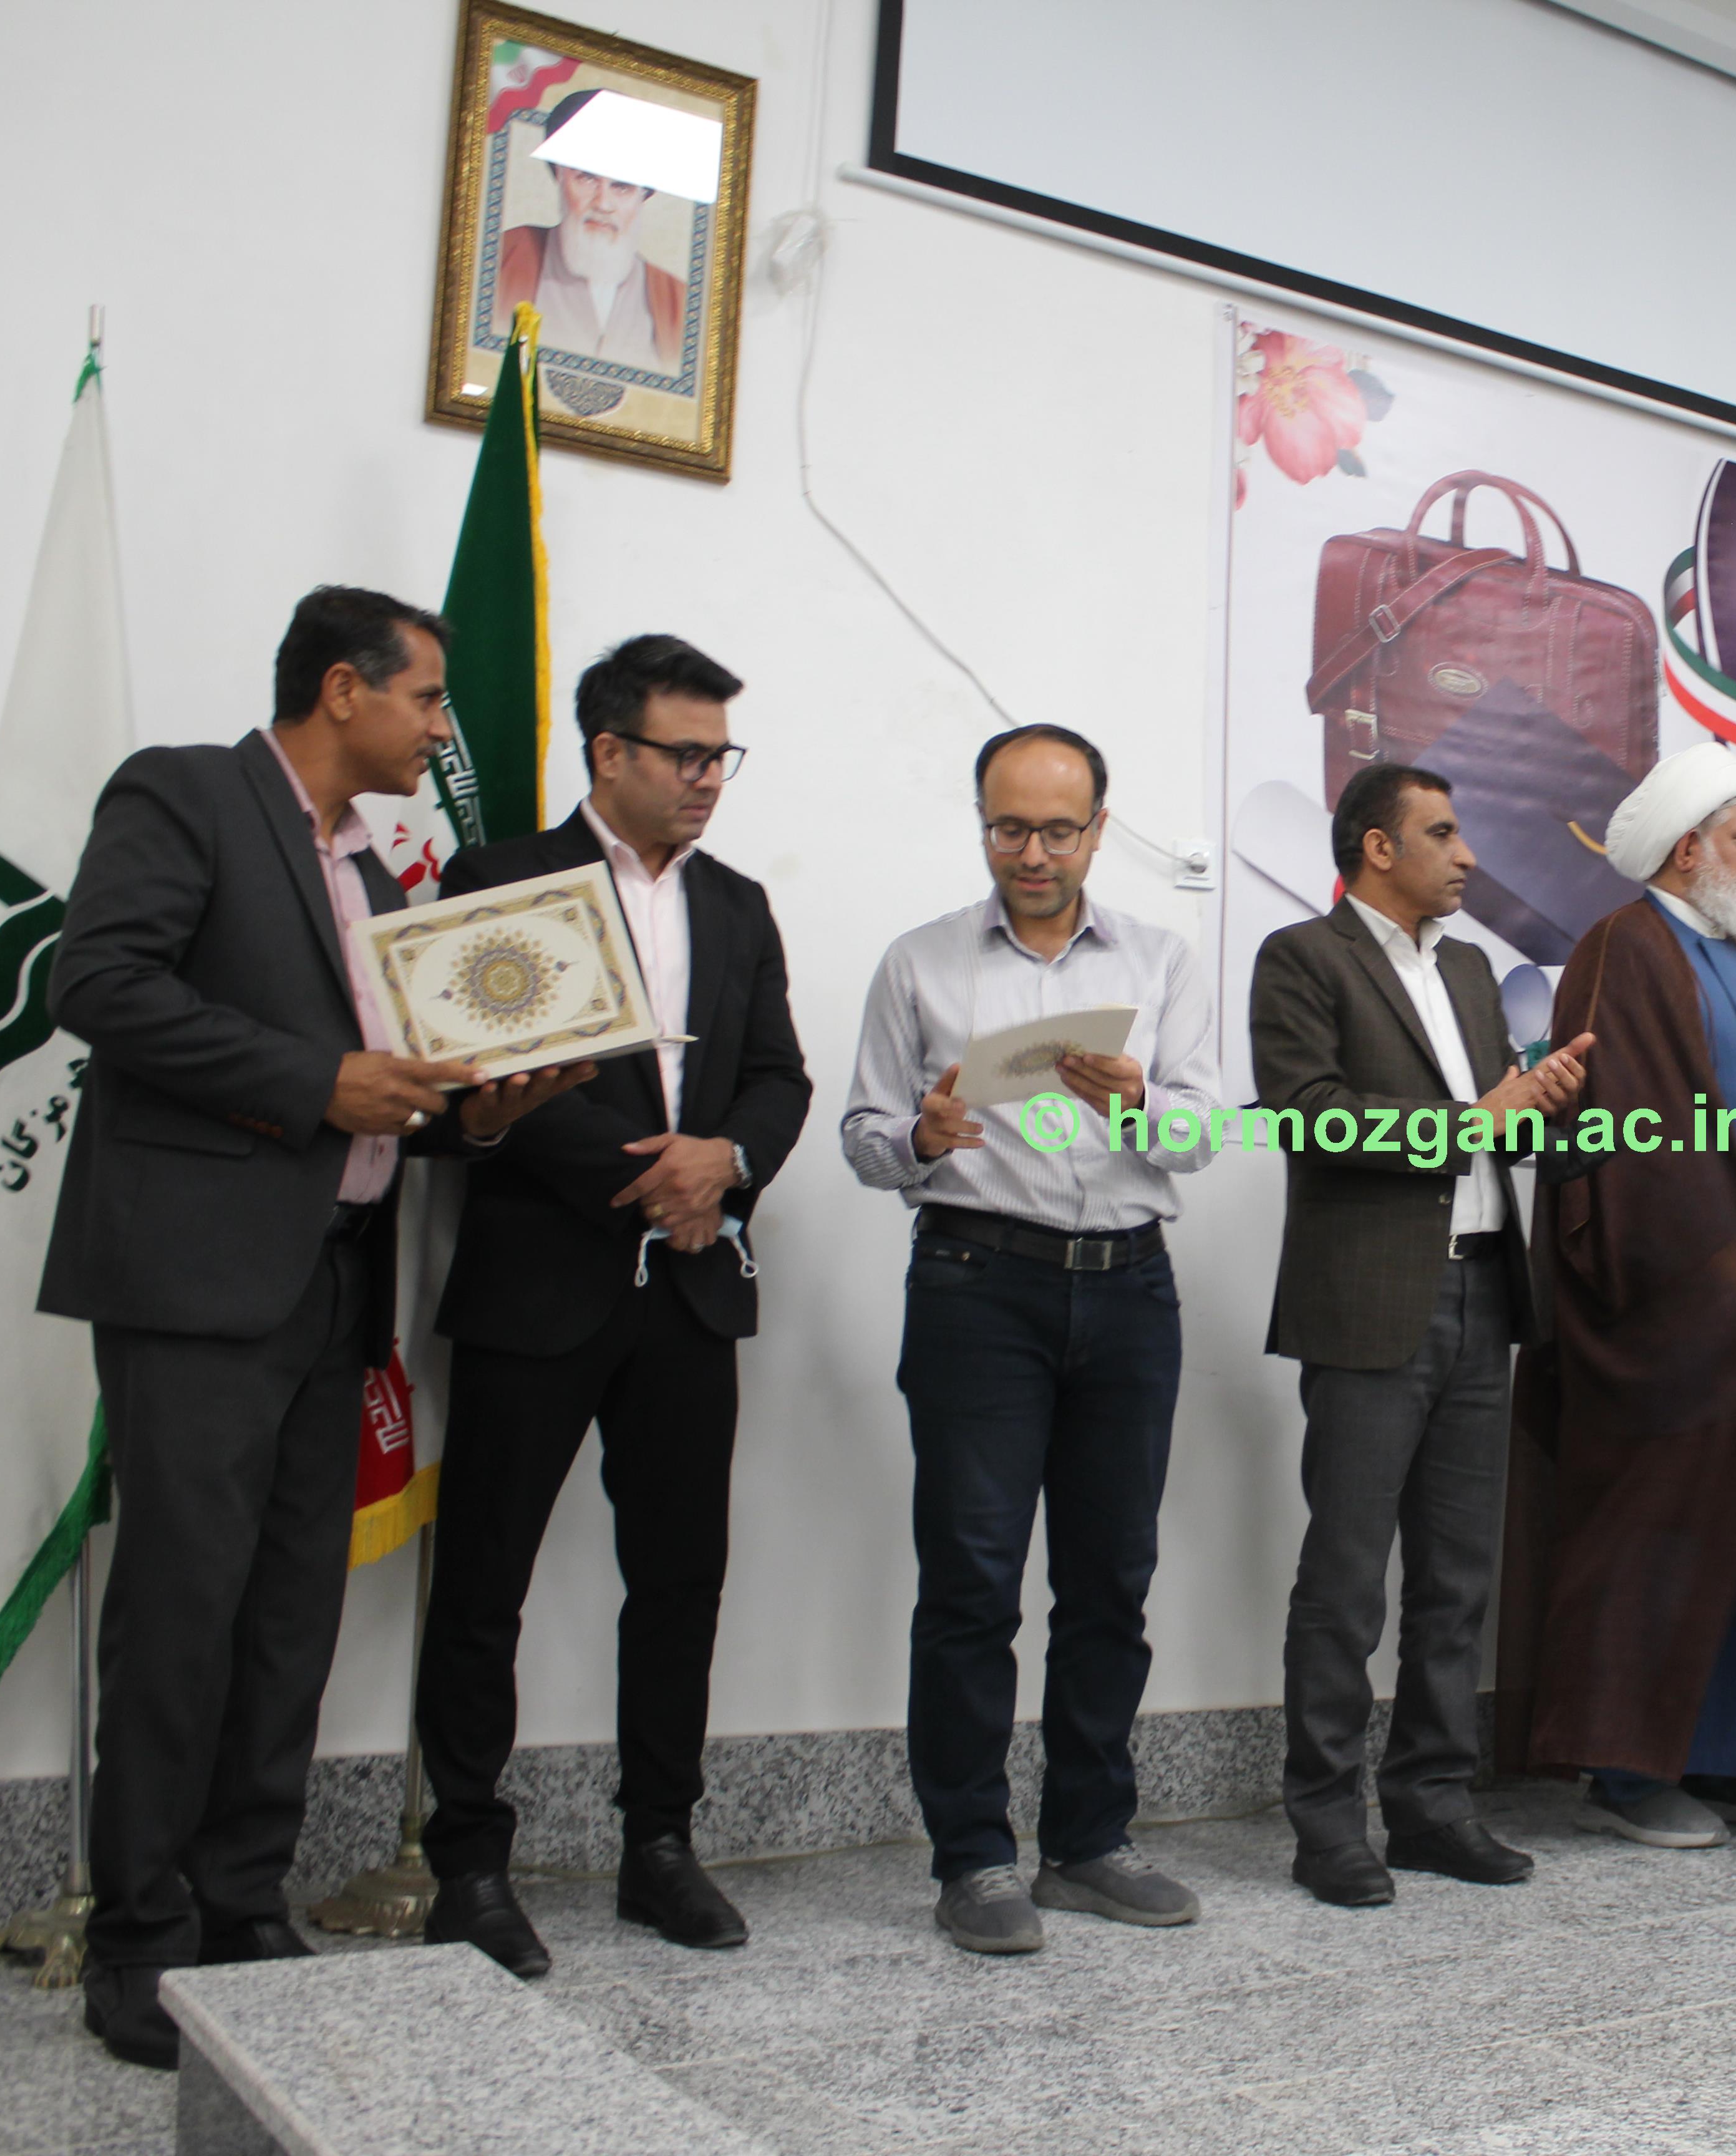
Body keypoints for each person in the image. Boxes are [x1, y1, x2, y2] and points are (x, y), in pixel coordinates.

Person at [37, 588, 587, 2068]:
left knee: (290, 1614)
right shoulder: (187, 794)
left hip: (337, 1282)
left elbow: (395, 1090)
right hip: (198, 1283)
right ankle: (138, 1939)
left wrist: (485, 1111)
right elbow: (96, 982)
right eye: (426, 698)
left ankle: (241, 1904)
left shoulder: (381, 875)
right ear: (343, 688)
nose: (441, 730)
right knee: (180, 1612)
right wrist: (313, 1080)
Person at [410, 636, 812, 1978]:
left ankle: (659, 1846)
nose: (708, 779)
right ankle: (469, 1863)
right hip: (540, 1285)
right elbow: (491, 1074)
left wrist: (726, 1162)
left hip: (689, 1297)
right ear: (608, 751)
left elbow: (779, 1078)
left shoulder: (739, 904)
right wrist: (660, 1180)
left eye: (721, 756)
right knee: (485, 1585)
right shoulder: (502, 879)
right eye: (685, 754)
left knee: (680, 1582)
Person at [841, 724, 1223, 1955]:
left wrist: (1142, 1103)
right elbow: (861, 1134)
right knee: (971, 1580)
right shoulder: (920, 963)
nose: (1034, 853)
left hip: (1129, 1288)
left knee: (1111, 1579)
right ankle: (972, 1858)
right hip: (977, 1285)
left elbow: (1203, 1133)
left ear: (1100, 829)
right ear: (982, 824)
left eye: (1060, 829)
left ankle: (1089, 1844)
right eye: (1010, 828)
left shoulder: (1162, 959)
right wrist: (920, 1138)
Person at [1495, 741, 1736, 1850]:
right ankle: (1631, 1771)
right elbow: (1620, 1144)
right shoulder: (1624, 948)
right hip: (1692, 1322)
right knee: (1667, 1534)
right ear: (1686, 852)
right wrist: (1725, 1284)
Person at [1248, 764, 1593, 1907]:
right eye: (1442, 834)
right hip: (1370, 1304)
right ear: (1377, 848)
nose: (1468, 856)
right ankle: (1325, 1823)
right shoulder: (1302, 958)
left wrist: (1540, 1102)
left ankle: (1434, 1808)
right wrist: (1476, 1117)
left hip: (1485, 1294)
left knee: (1456, 1582)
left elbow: (1496, 1131)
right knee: (1346, 1584)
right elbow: (1309, 1117)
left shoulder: (1469, 969)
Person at [497, 89, 687, 369]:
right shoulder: (502, 259)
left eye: (621, 187)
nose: (603, 203)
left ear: (642, 196)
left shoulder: (678, 302)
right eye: (587, 179)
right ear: (560, 176)